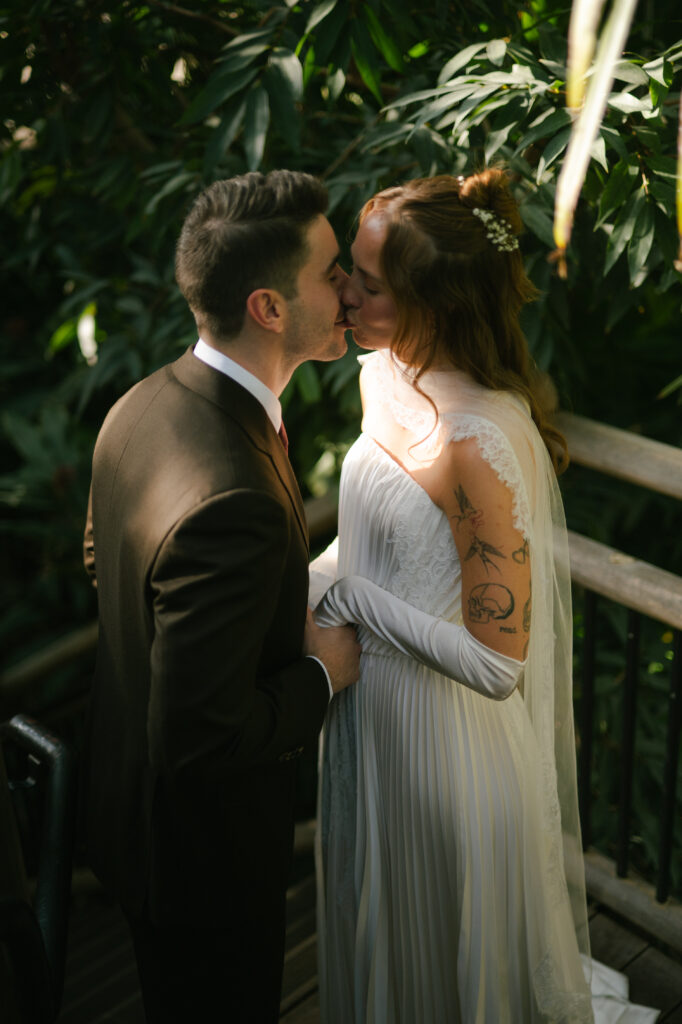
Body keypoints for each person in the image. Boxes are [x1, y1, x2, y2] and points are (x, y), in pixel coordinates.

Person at [310, 170, 656, 1022]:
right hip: (371, 723)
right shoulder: (382, 373)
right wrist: (308, 577)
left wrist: (350, 598)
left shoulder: (483, 443)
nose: (344, 294)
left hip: (449, 746)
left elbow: (500, 666)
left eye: (371, 284)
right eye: (350, 271)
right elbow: (370, 537)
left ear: (440, 306)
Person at [82, 169, 360, 1024]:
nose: (350, 288)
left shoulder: (144, 403)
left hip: (132, 818)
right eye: (331, 271)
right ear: (270, 308)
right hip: (202, 862)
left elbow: (105, 559)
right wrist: (321, 674)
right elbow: (199, 735)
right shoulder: (229, 494)